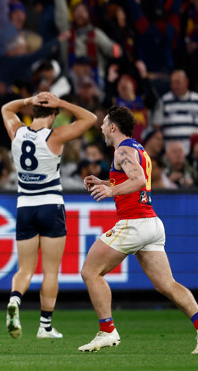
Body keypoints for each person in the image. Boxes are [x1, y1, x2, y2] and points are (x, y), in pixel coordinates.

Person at [79, 105, 198, 354]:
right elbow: (132, 176)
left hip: (134, 223)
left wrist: (110, 190)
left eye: (104, 123)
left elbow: (138, 180)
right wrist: (104, 182)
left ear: (113, 127)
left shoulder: (121, 150)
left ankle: (107, 330)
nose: (100, 127)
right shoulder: (137, 148)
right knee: (167, 284)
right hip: (151, 223)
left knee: (90, 271)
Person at [1, 92, 97, 339]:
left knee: (24, 269)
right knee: (51, 270)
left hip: (24, 206)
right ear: (53, 114)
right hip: (50, 205)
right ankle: (44, 326)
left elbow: (6, 109)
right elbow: (90, 118)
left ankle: (15, 301)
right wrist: (62, 103)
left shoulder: (17, 131)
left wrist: (27, 100)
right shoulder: (55, 136)